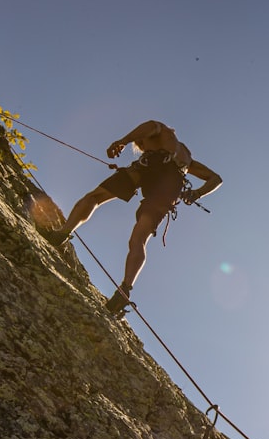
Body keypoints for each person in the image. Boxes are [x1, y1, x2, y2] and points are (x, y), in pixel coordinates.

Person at [43, 120, 222, 315]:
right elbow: (215, 178)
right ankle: (125, 290)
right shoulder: (186, 157)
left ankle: (63, 232)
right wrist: (196, 194)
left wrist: (123, 141)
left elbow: (150, 127)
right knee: (139, 239)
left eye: (142, 145)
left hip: (149, 168)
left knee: (94, 197)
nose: (142, 146)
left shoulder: (158, 129)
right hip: (172, 184)